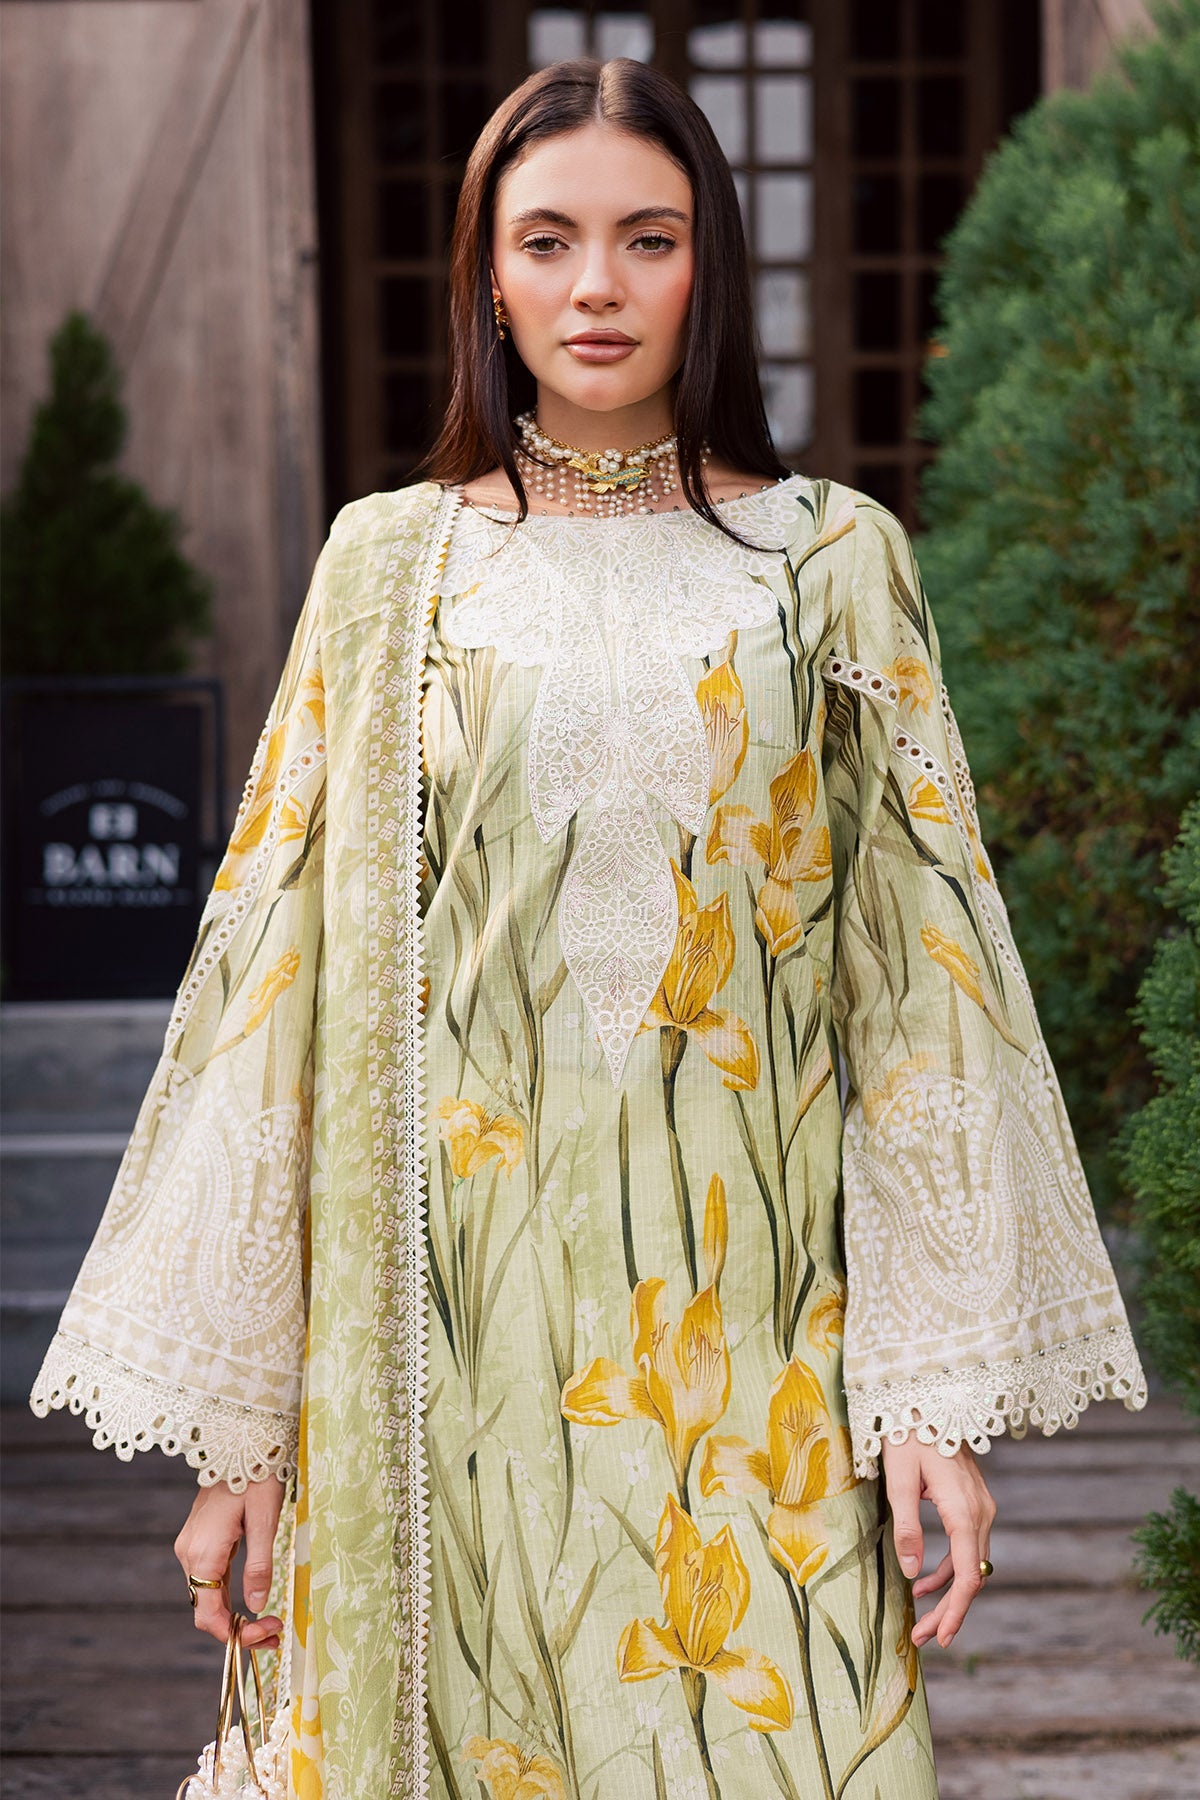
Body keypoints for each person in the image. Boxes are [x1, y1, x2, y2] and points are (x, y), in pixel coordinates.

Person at [31, 56, 1146, 1800]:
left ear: (711, 267)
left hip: (758, 1335)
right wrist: (242, 1434)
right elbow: (272, 981)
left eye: (650, 238)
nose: (598, 286)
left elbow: (916, 982)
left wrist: (928, 1396)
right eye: (547, 241)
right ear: (488, 273)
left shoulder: (828, 561)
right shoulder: (387, 565)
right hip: (437, 1349)